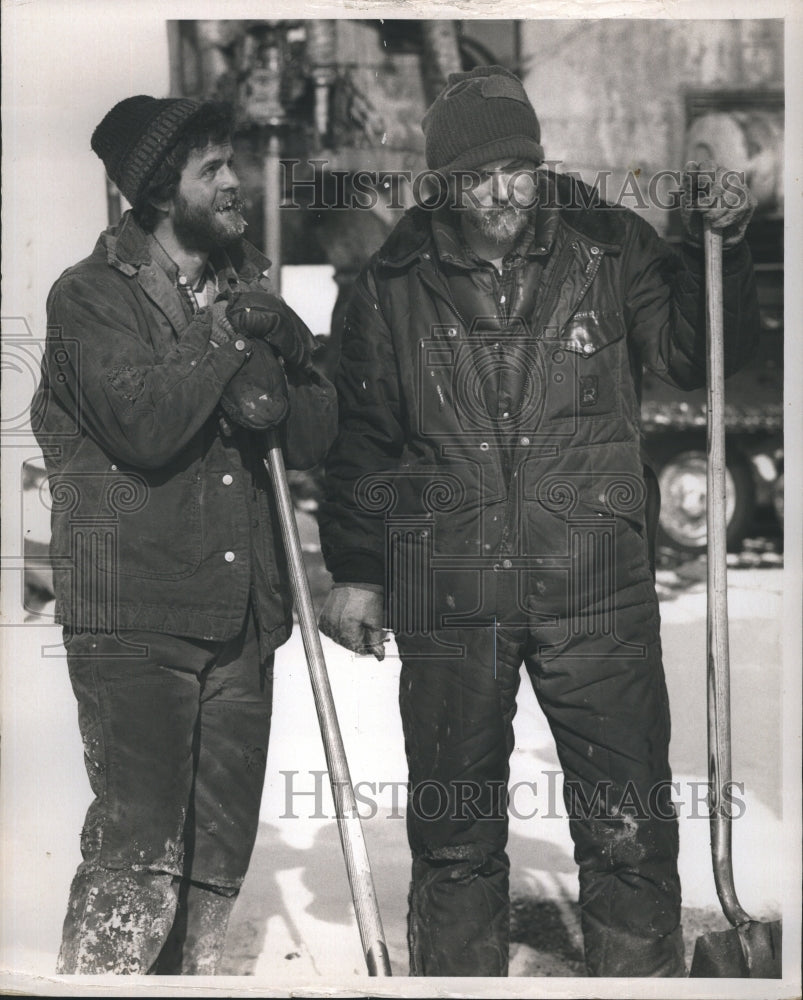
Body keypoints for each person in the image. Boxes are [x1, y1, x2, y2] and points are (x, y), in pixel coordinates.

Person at [317, 65, 759, 977]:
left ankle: (639, 982)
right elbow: (362, 441)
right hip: (451, 588)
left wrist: (728, 246)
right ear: (443, 182)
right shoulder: (391, 280)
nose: (502, 191)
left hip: (594, 583)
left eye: (517, 168)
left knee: (628, 819)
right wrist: (357, 572)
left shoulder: (607, 246)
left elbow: (693, 350)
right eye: (479, 176)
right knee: (453, 830)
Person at [31, 95, 336, 975]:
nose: (236, 182)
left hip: (242, 620)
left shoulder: (250, 288)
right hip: (137, 620)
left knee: (216, 863)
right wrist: (226, 335)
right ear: (163, 192)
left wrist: (290, 348)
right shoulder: (89, 300)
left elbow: (316, 436)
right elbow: (146, 427)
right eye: (213, 170)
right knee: (138, 858)